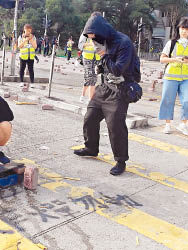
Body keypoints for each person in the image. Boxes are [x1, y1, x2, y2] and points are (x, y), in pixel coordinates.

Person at [74, 13, 141, 176]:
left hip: (121, 88)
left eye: (93, 37)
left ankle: (120, 161)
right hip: (104, 86)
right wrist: (100, 65)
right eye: (89, 38)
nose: (92, 41)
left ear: (101, 32)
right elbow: (103, 65)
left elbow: (118, 69)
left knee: (115, 126)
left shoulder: (123, 43)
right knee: (89, 117)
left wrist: (104, 57)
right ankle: (91, 148)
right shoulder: (101, 40)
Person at [159, 17, 188, 137]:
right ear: (179, 28)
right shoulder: (171, 43)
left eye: (187, 28)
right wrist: (174, 59)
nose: (184, 31)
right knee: (167, 100)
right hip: (170, 77)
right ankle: (167, 124)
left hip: (186, 79)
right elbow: (162, 59)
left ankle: (183, 125)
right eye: (182, 28)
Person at [78, 33, 101, 103]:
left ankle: (88, 98)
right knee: (89, 77)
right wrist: (91, 44)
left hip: (97, 57)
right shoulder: (85, 34)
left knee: (94, 78)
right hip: (87, 57)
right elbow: (80, 45)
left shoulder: (100, 33)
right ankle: (86, 97)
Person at [18, 24, 37, 89]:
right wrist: (25, 40)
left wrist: (30, 40)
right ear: (24, 30)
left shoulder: (33, 37)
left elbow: (35, 46)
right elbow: (19, 46)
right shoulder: (21, 37)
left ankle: (32, 83)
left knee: (31, 70)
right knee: (21, 69)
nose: (28, 32)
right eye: (27, 30)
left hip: (30, 56)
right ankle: (21, 82)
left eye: (29, 31)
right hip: (23, 56)